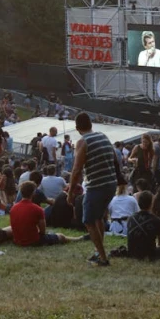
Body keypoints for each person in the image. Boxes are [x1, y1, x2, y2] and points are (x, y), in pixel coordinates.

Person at [68, 112, 119, 267]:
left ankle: (103, 258)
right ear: (91, 124)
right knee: (98, 218)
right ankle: (99, 252)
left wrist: (70, 193)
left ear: (77, 128)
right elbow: (115, 159)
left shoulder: (83, 142)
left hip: (97, 185)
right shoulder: (103, 136)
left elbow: (76, 170)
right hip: (111, 183)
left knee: (89, 221)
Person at [10, 181, 85, 247]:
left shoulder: (13, 208)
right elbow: (43, 232)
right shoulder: (37, 209)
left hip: (17, 240)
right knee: (61, 236)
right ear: (33, 193)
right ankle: (79, 238)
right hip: (33, 241)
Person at [126, 191, 160, 260]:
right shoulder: (157, 221)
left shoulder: (130, 218)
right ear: (151, 203)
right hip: (149, 253)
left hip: (132, 252)